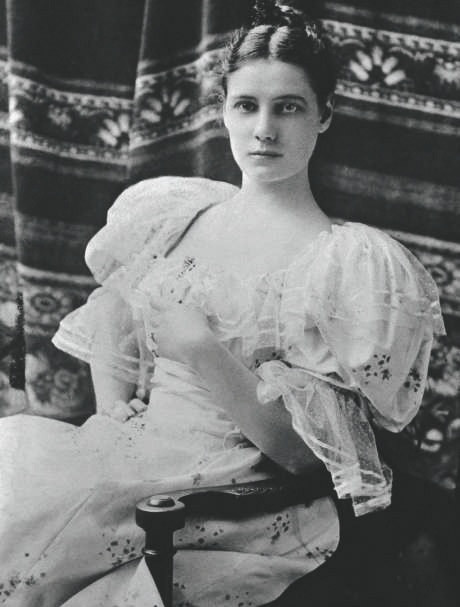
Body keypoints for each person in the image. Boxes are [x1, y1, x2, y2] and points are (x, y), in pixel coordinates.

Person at [0, 1, 445, 606]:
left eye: (288, 107)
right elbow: (114, 315)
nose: (265, 129)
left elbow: (301, 458)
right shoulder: (177, 215)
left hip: (236, 496)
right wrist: (113, 405)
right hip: (139, 456)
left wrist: (201, 349)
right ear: (224, 112)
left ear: (324, 115)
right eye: (246, 105)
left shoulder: (343, 264)